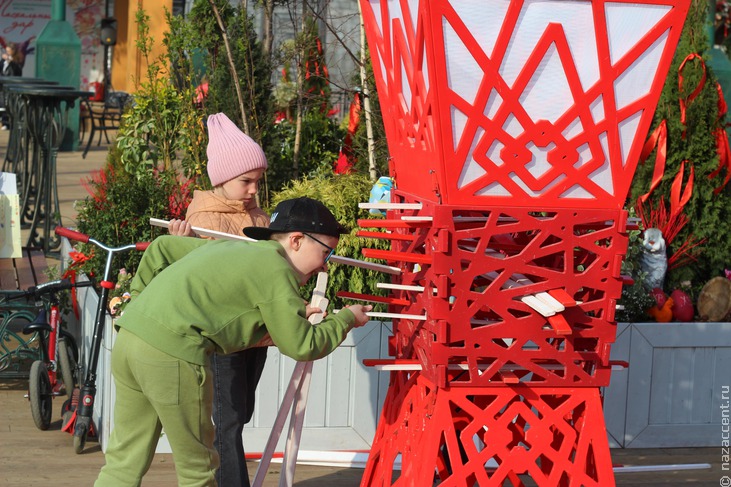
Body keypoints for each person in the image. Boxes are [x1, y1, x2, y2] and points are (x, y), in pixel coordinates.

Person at [95, 196, 373, 487]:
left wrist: (137, 303)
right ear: (297, 240)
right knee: (198, 470)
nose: (324, 267)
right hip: (172, 353)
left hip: (130, 338)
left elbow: (161, 247)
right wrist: (346, 319)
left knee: (123, 462)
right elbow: (303, 346)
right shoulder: (277, 272)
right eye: (326, 254)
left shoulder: (237, 248)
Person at [168, 112, 271, 487]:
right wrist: (185, 244)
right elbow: (195, 277)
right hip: (223, 335)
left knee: (240, 414)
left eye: (257, 181)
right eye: (246, 181)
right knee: (227, 421)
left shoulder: (258, 216)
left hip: (257, 333)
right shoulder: (203, 218)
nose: (253, 190)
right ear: (223, 178)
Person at [0, 43, 22, 130]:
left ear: (13, 51)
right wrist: (3, 59)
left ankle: (8, 123)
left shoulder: (17, 61)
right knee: (2, 103)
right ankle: (4, 121)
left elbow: (18, 72)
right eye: (7, 51)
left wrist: (11, 61)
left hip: (11, 86)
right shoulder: (3, 60)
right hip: (2, 86)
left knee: (9, 104)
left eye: (9, 51)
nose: (7, 53)